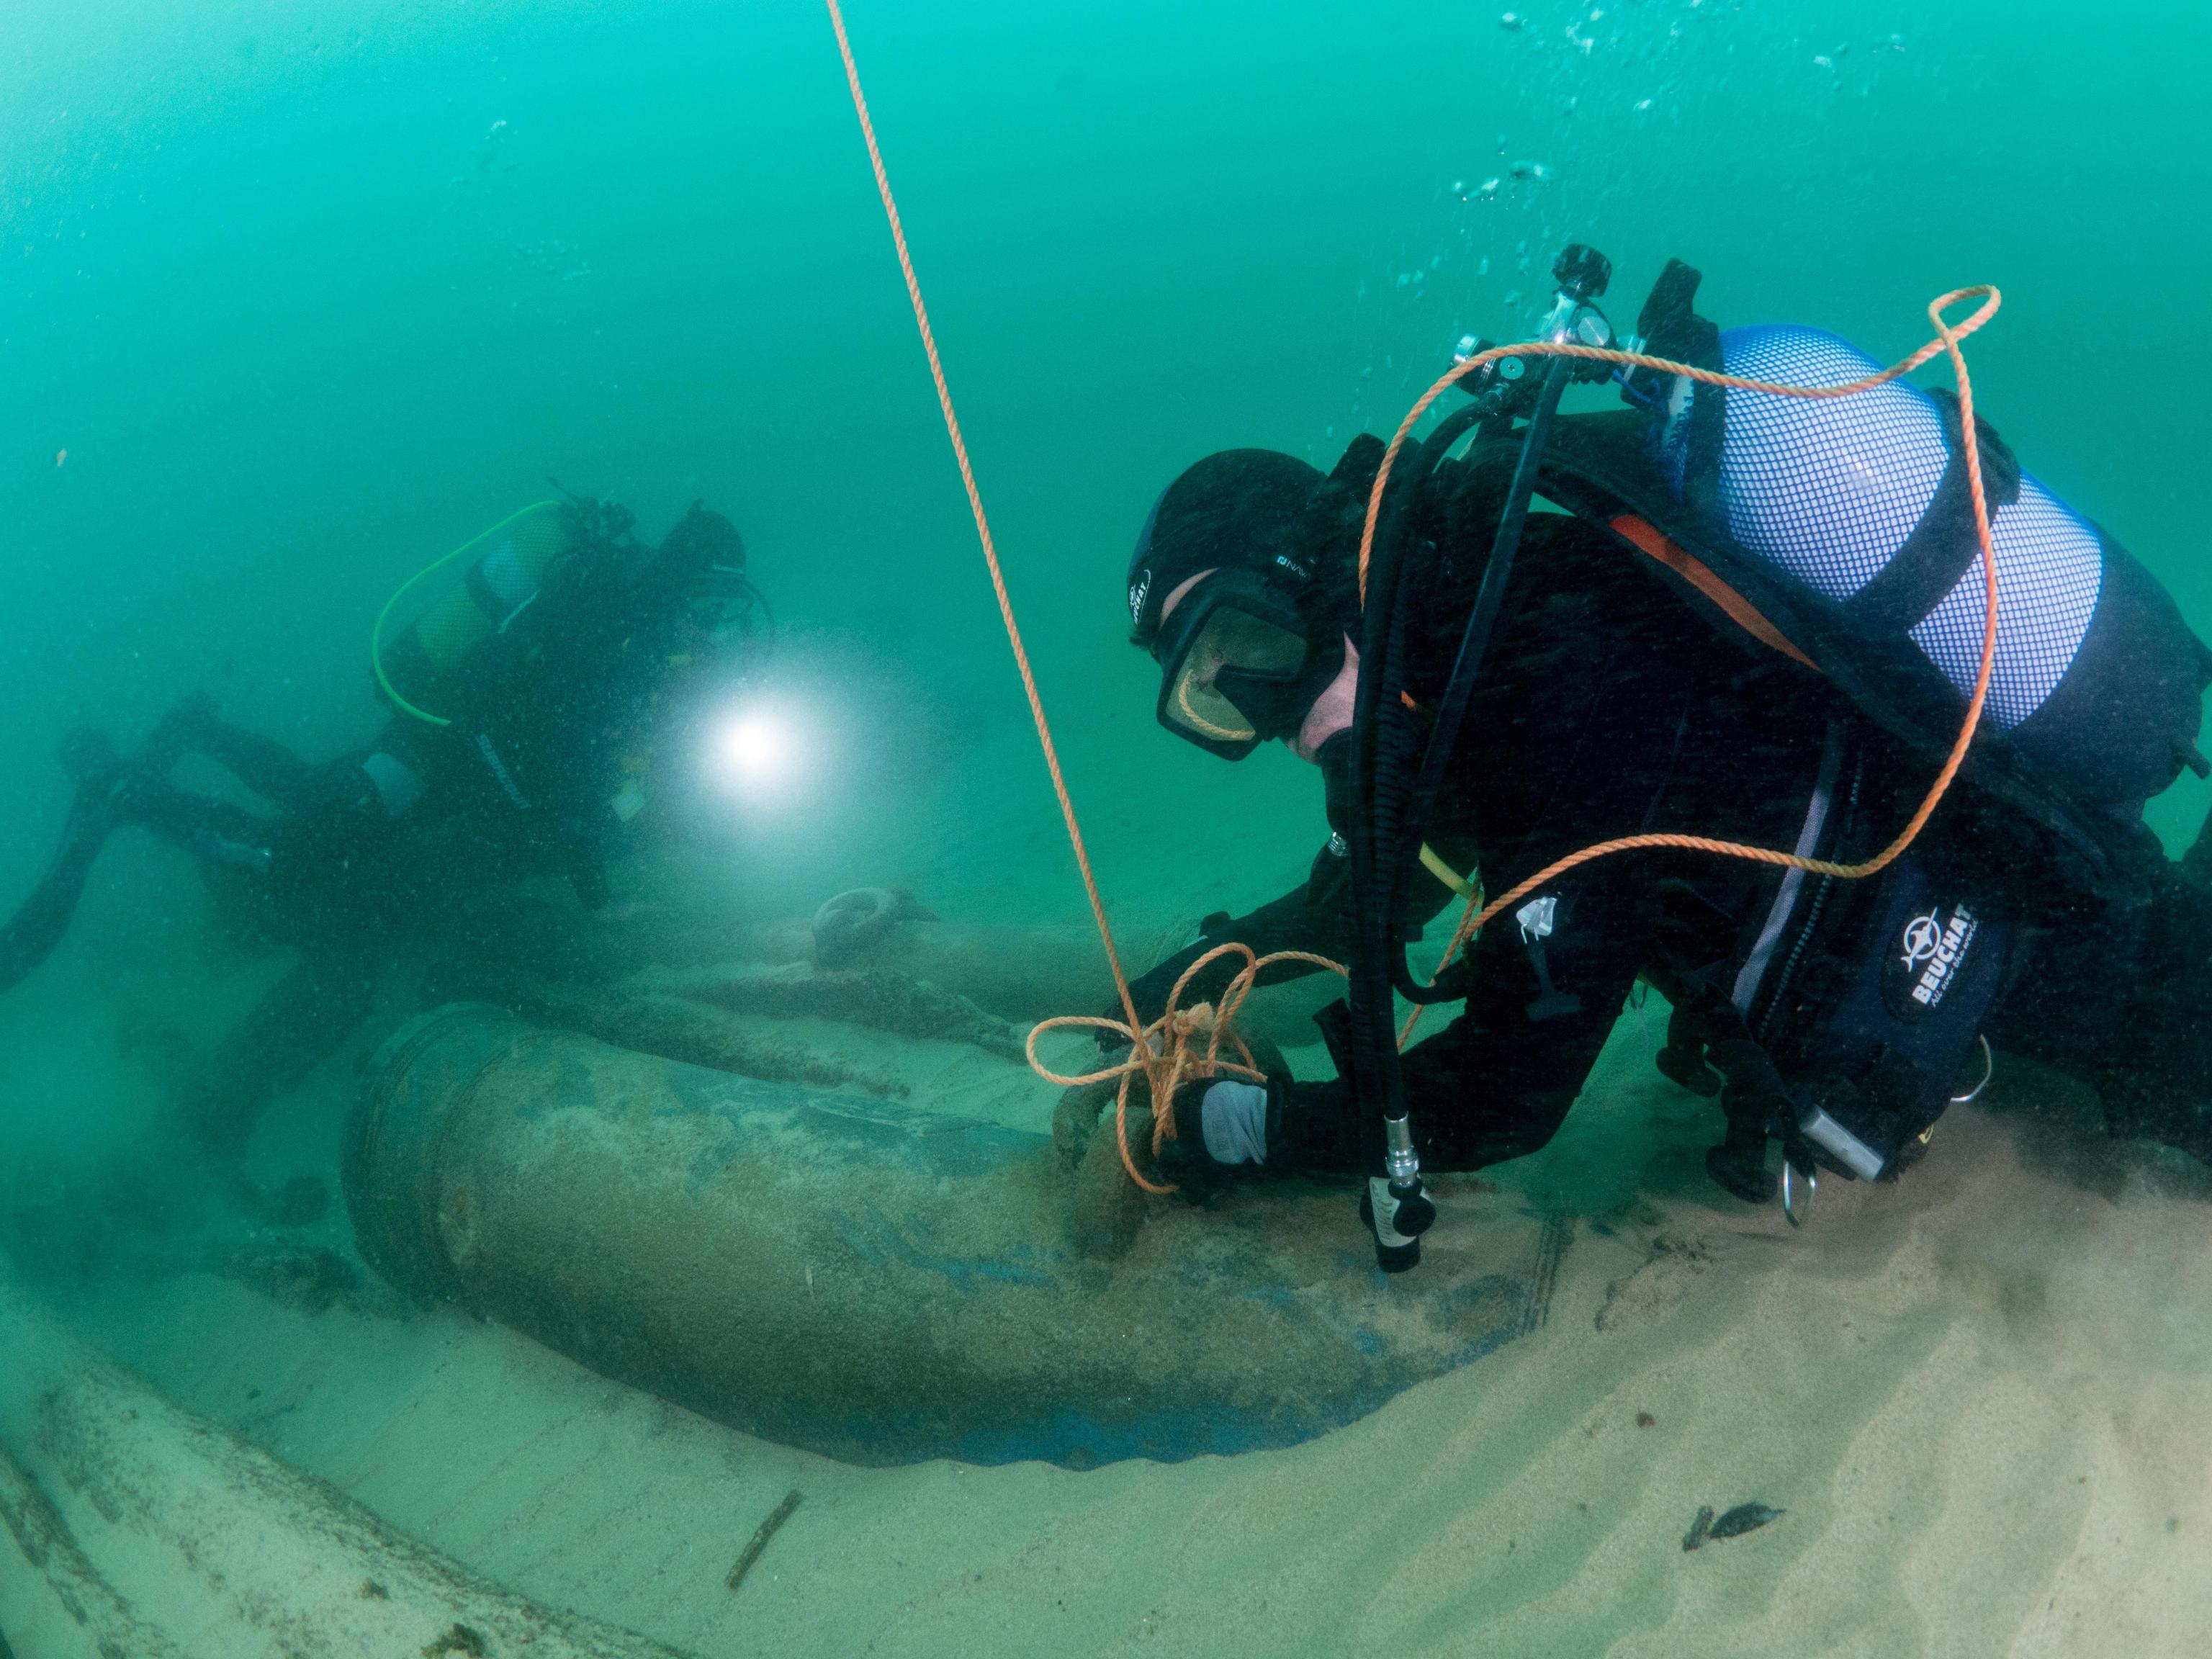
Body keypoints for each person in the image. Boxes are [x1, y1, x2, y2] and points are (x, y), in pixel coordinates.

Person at [1109, 251, 2212, 1251]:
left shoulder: (1549, 656)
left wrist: (1238, 1128)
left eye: (1244, 642)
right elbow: (1385, 890)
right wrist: (1168, 991)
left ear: (1322, 574)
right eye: (1213, 695)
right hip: (1986, 939)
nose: (1264, 709)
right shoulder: (1460, 656)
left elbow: (1506, 1099)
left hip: (2055, 966)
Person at [1, 496, 768, 1198]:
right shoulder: (599, 623)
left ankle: (200, 729)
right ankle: (131, 795)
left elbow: (606, 788)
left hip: (459, 801)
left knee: (311, 802)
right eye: (709, 610)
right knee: (297, 851)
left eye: (732, 616)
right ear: (677, 586)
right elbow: (558, 768)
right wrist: (601, 885)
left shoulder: (649, 658)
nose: (717, 637)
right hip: (427, 764)